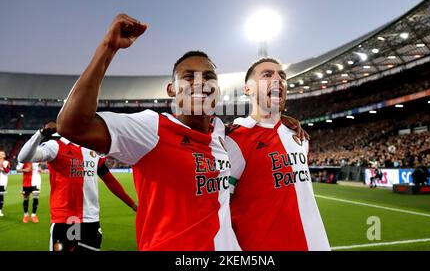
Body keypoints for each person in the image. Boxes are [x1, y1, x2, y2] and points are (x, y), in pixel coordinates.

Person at [55, 14, 241, 251]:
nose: (200, 83)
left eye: (209, 77)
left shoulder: (220, 132)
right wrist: (108, 48)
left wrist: (284, 120)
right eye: (188, 77)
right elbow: (72, 126)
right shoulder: (152, 129)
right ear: (171, 90)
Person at [224, 58, 330, 251]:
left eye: (282, 76)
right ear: (247, 89)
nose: (277, 79)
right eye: (267, 75)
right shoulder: (233, 141)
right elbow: (219, 212)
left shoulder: (300, 138)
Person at [18, 121, 137, 251]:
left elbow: (110, 180)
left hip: (91, 219)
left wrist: (132, 204)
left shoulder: (93, 150)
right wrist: (41, 133)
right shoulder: (55, 146)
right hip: (66, 219)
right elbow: (23, 157)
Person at [0, 151, 11, 217]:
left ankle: (0, 210)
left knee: (0, 195)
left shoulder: (6, 162)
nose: (1, 155)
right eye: (0, 154)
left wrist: (2, 167)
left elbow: (7, 171)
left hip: (2, 181)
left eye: (2, 154)